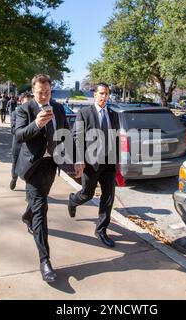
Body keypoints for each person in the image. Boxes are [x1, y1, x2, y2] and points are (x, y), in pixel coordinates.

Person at [15, 74, 69, 283]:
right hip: (33, 167)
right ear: (33, 91)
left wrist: (76, 159)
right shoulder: (24, 109)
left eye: (47, 92)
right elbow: (18, 135)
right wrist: (36, 124)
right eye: (40, 92)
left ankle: (27, 215)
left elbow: (65, 133)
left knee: (38, 202)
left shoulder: (58, 107)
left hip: (51, 165)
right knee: (41, 209)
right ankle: (45, 261)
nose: (44, 96)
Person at [67, 83, 120, 248]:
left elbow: (115, 138)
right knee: (87, 194)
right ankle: (73, 201)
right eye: (101, 93)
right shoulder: (84, 113)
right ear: (95, 94)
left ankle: (101, 230)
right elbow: (77, 137)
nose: (104, 97)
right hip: (91, 163)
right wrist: (79, 159)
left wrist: (117, 161)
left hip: (109, 163)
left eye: (107, 94)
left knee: (108, 197)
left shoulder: (113, 114)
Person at [9, 92, 33, 190]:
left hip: (30, 147)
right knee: (15, 166)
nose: (28, 105)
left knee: (29, 169)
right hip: (18, 145)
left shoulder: (35, 114)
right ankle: (14, 178)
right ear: (21, 101)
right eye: (26, 103)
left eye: (30, 102)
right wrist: (26, 130)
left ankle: (29, 190)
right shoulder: (15, 113)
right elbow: (13, 130)